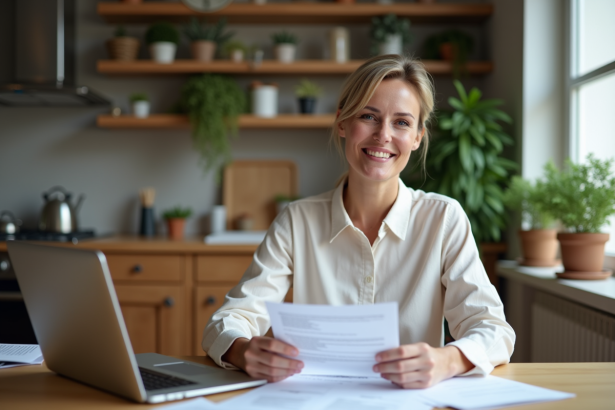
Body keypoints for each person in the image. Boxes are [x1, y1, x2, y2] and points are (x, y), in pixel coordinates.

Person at [202, 54, 515, 389]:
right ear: (342, 122)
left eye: (402, 123)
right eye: (369, 116)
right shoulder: (297, 221)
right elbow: (228, 320)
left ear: (418, 137)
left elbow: (493, 329)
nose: (383, 135)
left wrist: (445, 360)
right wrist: (242, 350)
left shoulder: (443, 219)